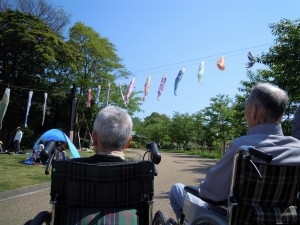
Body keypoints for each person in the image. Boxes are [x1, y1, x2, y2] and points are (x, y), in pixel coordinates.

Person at [169, 82, 300, 220]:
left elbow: (210, 193)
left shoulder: (243, 147)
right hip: (283, 219)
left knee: (177, 189)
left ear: (253, 110)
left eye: (246, 108)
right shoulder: (297, 149)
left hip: (232, 218)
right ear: (280, 115)